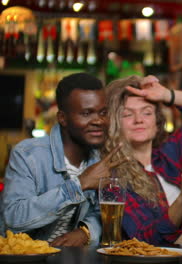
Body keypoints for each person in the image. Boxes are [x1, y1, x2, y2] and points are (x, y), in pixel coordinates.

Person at [1, 73, 123, 247]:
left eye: (103, 113)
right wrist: (79, 185)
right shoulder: (28, 155)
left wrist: (85, 232)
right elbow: (14, 218)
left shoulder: (103, 158)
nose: (99, 121)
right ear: (62, 118)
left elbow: (102, 214)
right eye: (86, 113)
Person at [102, 75, 182, 245]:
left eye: (147, 112)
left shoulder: (167, 154)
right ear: (114, 123)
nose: (139, 120)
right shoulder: (111, 175)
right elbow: (144, 239)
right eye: (127, 114)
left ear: (157, 121)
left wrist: (166, 95)